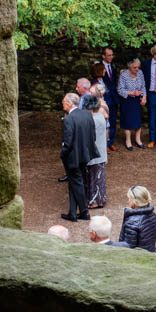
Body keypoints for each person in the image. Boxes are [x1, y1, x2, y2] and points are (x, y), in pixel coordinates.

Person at [60, 92, 99, 223]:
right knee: (74, 182)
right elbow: (93, 136)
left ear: (69, 103)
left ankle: (83, 211)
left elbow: (68, 141)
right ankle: (72, 212)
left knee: (77, 182)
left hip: (72, 157)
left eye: (64, 102)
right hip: (85, 155)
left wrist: (62, 153)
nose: (62, 104)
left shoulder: (68, 119)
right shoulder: (87, 115)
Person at [117, 57, 147, 151]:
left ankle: (138, 140)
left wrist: (144, 97)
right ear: (129, 67)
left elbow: (143, 86)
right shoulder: (124, 75)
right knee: (127, 121)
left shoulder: (140, 73)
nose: (137, 69)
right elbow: (120, 90)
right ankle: (128, 141)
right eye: (135, 67)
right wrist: (132, 93)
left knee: (138, 121)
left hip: (137, 101)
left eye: (138, 67)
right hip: (127, 101)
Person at [84, 94, 108, 209]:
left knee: (95, 178)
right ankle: (100, 199)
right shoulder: (100, 116)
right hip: (100, 153)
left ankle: (95, 201)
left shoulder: (92, 120)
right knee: (98, 177)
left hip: (95, 154)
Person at [119, 186, 156, 252]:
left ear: (135, 201)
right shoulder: (152, 215)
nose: (128, 201)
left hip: (137, 258)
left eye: (129, 198)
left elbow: (128, 247)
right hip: (149, 254)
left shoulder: (132, 222)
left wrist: (108, 243)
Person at [99, 47, 119, 151]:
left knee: (112, 120)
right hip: (104, 97)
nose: (111, 57)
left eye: (112, 55)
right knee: (103, 120)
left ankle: (110, 142)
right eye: (109, 55)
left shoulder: (113, 67)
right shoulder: (98, 67)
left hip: (113, 98)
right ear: (103, 56)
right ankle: (102, 143)